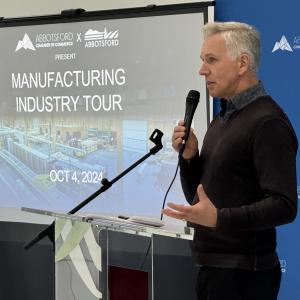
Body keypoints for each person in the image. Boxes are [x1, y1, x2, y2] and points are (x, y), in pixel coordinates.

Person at [162, 21, 298, 300]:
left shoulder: (267, 122)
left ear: (242, 63)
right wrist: (190, 159)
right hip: (215, 270)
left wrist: (219, 219)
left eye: (211, 60)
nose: (202, 70)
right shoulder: (223, 118)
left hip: (244, 276)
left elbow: (284, 205)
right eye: (202, 61)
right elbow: (200, 200)